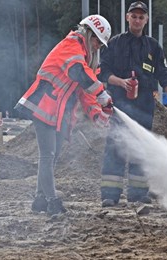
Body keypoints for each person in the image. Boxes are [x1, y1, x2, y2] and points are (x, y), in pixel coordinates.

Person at [14, 15, 113, 215]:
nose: (97, 47)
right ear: (88, 33)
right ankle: (52, 202)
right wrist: (101, 92)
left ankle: (40, 200)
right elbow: (78, 73)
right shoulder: (71, 45)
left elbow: (84, 91)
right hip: (44, 105)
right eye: (97, 41)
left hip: (59, 111)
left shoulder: (85, 55)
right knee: (47, 156)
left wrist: (96, 113)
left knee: (53, 156)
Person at [98, 1, 167, 207]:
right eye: (133, 16)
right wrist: (121, 82)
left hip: (144, 105)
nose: (137, 20)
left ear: (146, 20)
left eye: (141, 17)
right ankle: (110, 194)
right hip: (118, 103)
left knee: (141, 148)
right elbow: (103, 72)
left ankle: (138, 193)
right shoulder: (114, 44)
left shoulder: (153, 46)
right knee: (116, 146)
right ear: (127, 18)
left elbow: (164, 74)